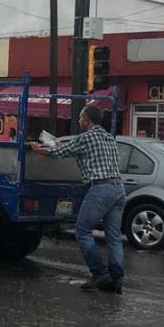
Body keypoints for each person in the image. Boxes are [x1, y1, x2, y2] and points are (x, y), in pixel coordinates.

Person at [28, 105, 126, 294]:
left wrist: (36, 148)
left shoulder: (86, 137)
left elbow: (57, 153)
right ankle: (116, 280)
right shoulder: (109, 138)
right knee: (114, 237)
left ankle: (100, 274)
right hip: (119, 189)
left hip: (100, 189)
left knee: (82, 231)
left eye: (81, 117)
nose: (79, 120)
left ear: (87, 121)